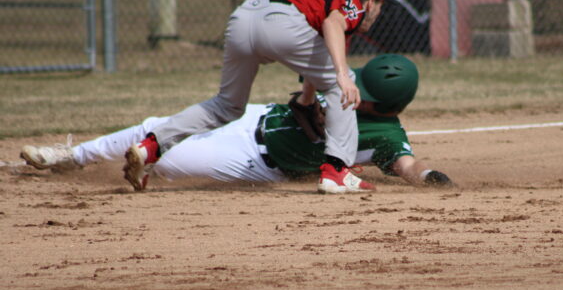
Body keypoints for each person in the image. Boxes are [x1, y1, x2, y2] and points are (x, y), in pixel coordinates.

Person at [123, 0, 387, 193]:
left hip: (244, 17)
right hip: (281, 22)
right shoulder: (352, 0)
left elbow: (315, 61)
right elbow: (333, 24)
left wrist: (306, 101)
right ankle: (337, 171)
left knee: (227, 105)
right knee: (344, 82)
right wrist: (341, 75)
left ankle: (151, 146)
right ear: (371, 2)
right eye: (380, 6)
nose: (378, 13)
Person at [20, 55, 453, 191]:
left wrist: (430, 177)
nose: (354, 90)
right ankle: (71, 156)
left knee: (165, 159)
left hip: (255, 160)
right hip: (254, 115)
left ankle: (135, 166)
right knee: (157, 127)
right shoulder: (346, 80)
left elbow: (407, 164)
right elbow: (312, 74)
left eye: (365, 94)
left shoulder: (387, 135)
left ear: (385, 106)